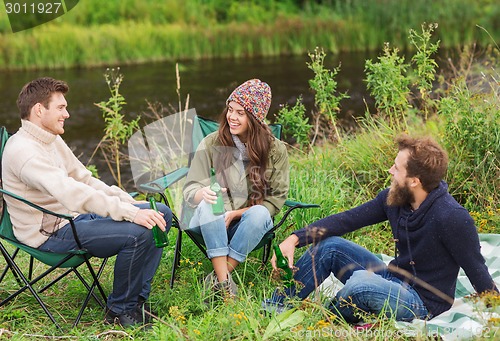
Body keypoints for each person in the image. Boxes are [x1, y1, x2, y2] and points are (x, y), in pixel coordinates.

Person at [264, 135, 498, 323]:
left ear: (414, 180)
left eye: (396, 168)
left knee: (361, 284)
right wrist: (295, 238)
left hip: (422, 303)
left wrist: (494, 307)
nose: (390, 171)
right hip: (391, 277)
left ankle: (324, 319)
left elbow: (476, 269)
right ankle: (273, 308)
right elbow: (346, 220)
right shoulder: (394, 198)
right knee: (330, 247)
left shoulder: (453, 217)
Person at [2, 77, 173, 327]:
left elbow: (84, 179)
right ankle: (119, 311)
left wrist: (128, 203)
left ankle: (136, 301)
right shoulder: (24, 152)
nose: (67, 114)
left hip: (72, 219)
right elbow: (71, 192)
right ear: (39, 110)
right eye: (60, 108)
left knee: (161, 213)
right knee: (138, 234)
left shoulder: (50, 138)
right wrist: (128, 214)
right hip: (50, 233)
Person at [183, 79, 289, 298]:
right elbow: (190, 188)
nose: (232, 117)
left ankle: (219, 277)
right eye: (230, 109)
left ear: (255, 118)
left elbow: (275, 200)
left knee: (259, 212)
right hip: (210, 221)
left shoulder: (275, 150)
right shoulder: (212, 143)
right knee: (208, 205)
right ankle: (225, 286)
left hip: (248, 224)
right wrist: (202, 193)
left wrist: (236, 213)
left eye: (240, 113)